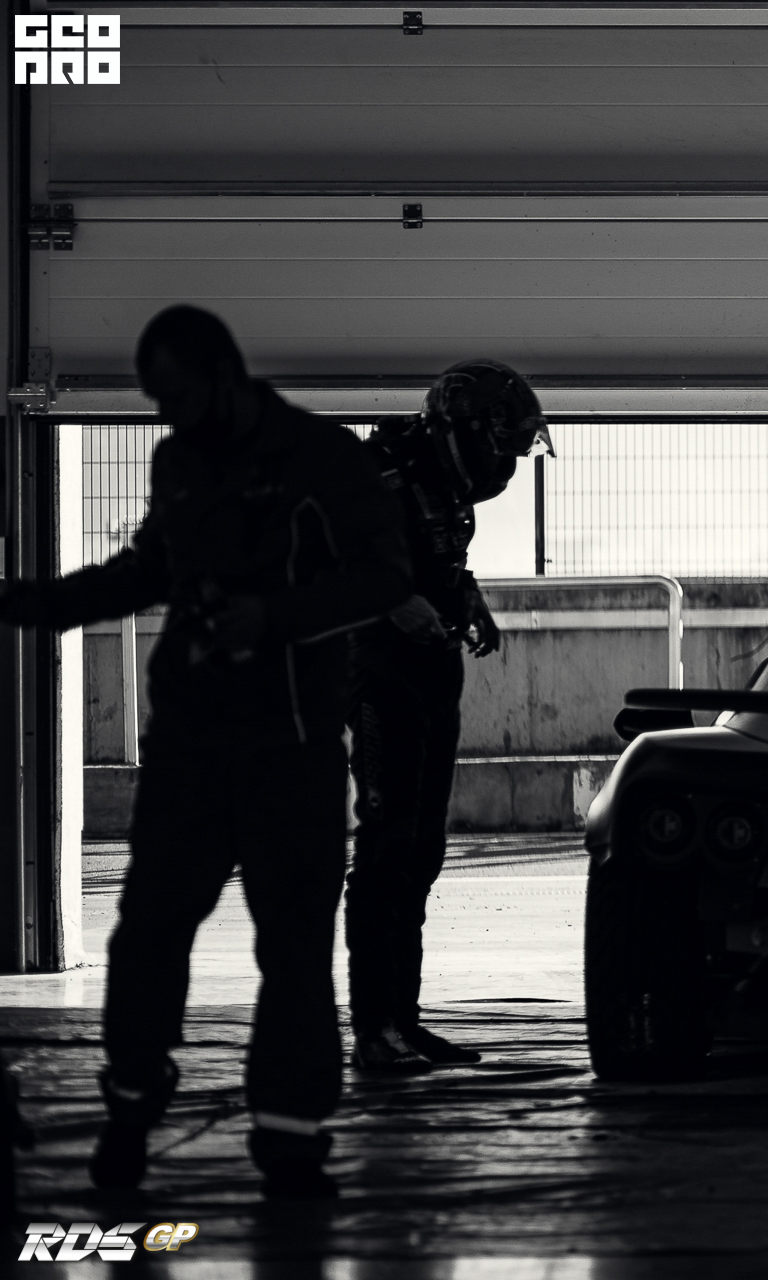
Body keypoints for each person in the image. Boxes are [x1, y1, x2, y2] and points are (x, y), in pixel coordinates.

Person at [0, 306, 412, 1196]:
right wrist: (34, 605)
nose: (169, 417)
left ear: (225, 378)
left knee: (294, 954)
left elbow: (387, 576)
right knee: (147, 938)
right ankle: (130, 1111)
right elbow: (151, 569)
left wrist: (274, 619)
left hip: (292, 755)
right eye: (158, 402)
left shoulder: (323, 460)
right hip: (188, 750)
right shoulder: (178, 461)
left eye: (179, 397)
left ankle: (291, 1146)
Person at [345, 361, 551, 1071]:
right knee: (387, 851)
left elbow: (434, 556)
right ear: (466, 431)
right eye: (504, 446)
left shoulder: (442, 482)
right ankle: (376, 1030)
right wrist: (391, 602)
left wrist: (470, 597)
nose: (507, 465)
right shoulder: (374, 471)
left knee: (422, 852)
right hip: (379, 670)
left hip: (433, 665)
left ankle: (402, 1022)